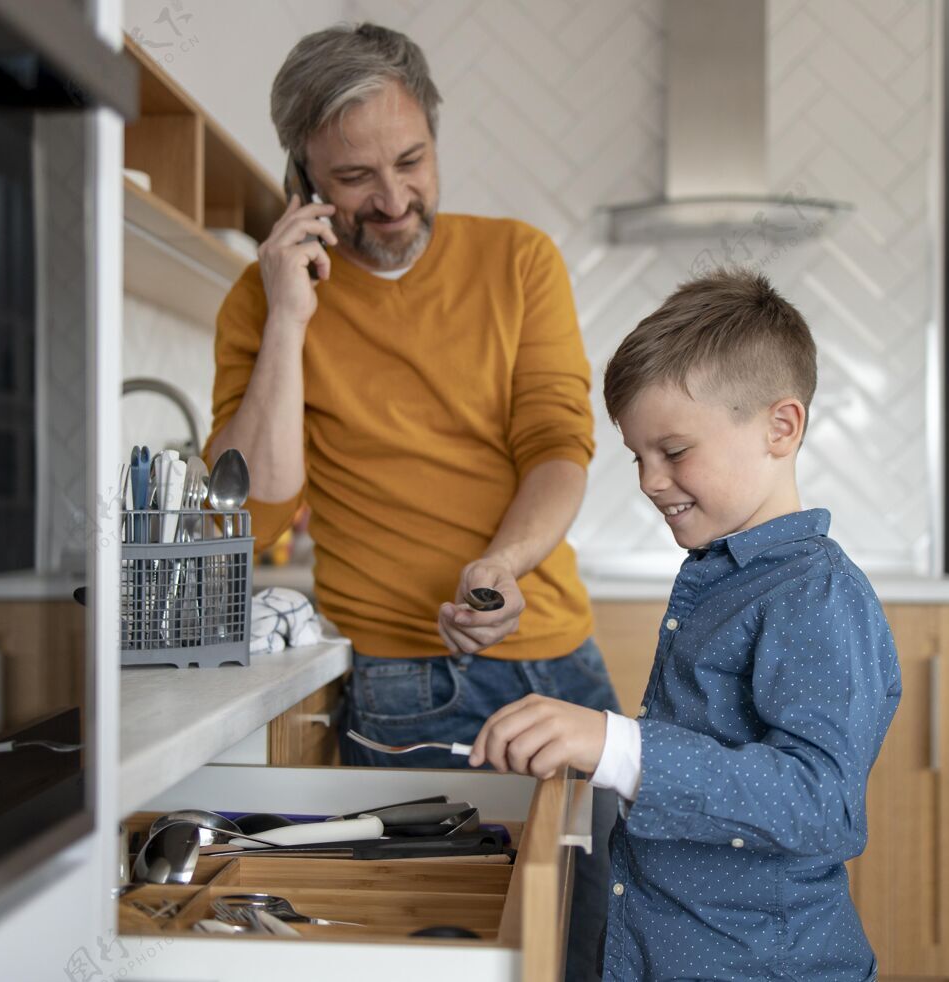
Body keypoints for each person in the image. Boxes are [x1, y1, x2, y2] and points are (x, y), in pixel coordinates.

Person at [204, 22, 619, 980]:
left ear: (434, 132)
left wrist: (501, 566)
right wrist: (288, 324)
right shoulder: (261, 301)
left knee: (591, 944)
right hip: (404, 687)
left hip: (560, 656)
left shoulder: (520, 261)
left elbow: (557, 444)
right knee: (435, 952)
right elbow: (253, 514)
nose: (393, 200)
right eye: (353, 178)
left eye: (411, 159)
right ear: (300, 176)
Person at [468, 270, 902, 981]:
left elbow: (821, 804)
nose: (648, 479)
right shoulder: (723, 572)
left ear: (780, 427)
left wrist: (616, 745)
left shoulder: (815, 594)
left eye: (673, 451)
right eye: (638, 457)